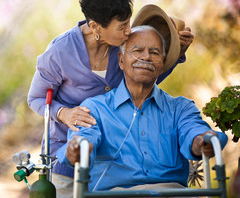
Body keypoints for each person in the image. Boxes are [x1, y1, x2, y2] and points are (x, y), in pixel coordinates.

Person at [27, 0, 194, 197]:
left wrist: (177, 52)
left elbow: (144, 78)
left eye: (128, 22)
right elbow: (36, 98)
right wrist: (64, 113)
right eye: (121, 26)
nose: (128, 31)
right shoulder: (60, 52)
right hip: (69, 152)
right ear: (96, 26)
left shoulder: (121, 46)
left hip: (110, 156)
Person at [56, 24, 228, 192]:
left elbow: (194, 131)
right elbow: (83, 138)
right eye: (138, 51)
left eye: (154, 52)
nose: (146, 57)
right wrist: (77, 148)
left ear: (162, 64)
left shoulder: (180, 108)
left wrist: (202, 141)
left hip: (171, 194)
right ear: (121, 60)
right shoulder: (95, 108)